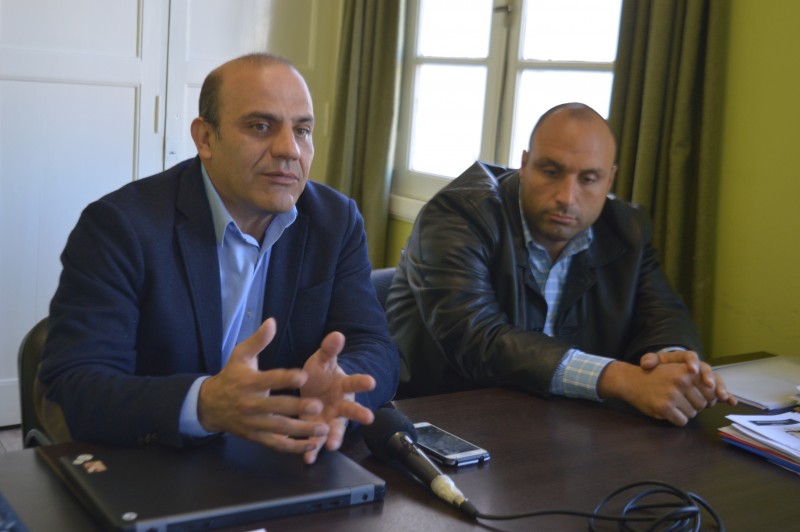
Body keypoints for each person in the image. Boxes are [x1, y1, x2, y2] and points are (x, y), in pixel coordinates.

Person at [37, 53, 399, 463]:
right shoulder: (120, 227)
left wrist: (344, 381)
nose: (289, 149)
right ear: (205, 138)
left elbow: (375, 345)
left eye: (302, 130)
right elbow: (75, 385)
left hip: (287, 459)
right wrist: (204, 405)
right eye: (261, 126)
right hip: (156, 463)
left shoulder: (334, 221)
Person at [386, 102, 735, 427]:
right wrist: (619, 378)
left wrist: (674, 362)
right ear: (525, 164)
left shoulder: (626, 227)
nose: (567, 197)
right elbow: (479, 340)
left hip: (560, 425)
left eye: (588, 179)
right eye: (551, 172)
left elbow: (663, 314)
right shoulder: (457, 215)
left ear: (609, 180)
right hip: (441, 420)